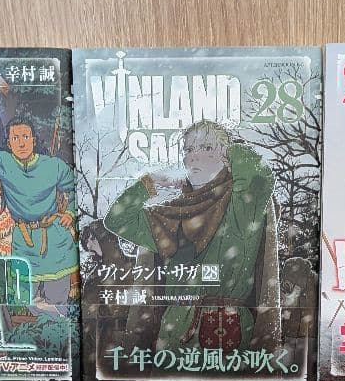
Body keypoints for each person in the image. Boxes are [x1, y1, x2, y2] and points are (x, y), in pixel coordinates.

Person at [103, 119, 281, 354]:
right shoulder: (171, 214)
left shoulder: (242, 207)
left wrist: (231, 150)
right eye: (188, 150)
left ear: (226, 157)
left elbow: (259, 176)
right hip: (172, 330)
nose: (194, 156)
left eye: (206, 148)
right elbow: (116, 219)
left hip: (226, 328)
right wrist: (151, 182)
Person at [0, 109, 77, 305]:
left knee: (58, 303)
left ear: (33, 140)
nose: (21, 143)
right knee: (25, 303)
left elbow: (74, 187)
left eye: (25, 137)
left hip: (55, 240)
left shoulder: (53, 165)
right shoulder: (1, 162)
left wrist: (70, 213)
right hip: (22, 243)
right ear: (9, 143)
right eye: (15, 138)